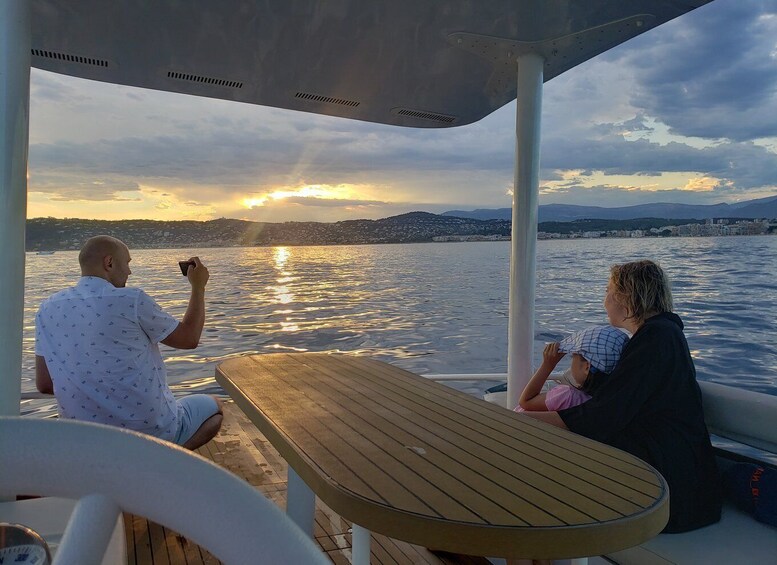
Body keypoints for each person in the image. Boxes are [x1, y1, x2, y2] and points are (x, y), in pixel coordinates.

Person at [522, 260, 722, 533]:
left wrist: (524, 422)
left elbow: (603, 416)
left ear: (625, 295)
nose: (604, 300)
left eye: (608, 290)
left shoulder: (655, 338)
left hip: (670, 489)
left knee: (534, 470)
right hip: (682, 478)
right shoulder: (662, 334)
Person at [35, 235, 223, 450]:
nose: (129, 272)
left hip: (83, 437)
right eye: (127, 263)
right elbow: (189, 339)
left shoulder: (46, 309)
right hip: (147, 431)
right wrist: (198, 287)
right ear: (110, 263)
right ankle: (163, 456)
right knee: (215, 408)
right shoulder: (131, 299)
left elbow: (45, 384)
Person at [515, 325, 628, 412]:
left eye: (573, 356)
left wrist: (547, 365)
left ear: (586, 367)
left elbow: (525, 402)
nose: (571, 361)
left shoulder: (567, 396)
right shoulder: (615, 400)